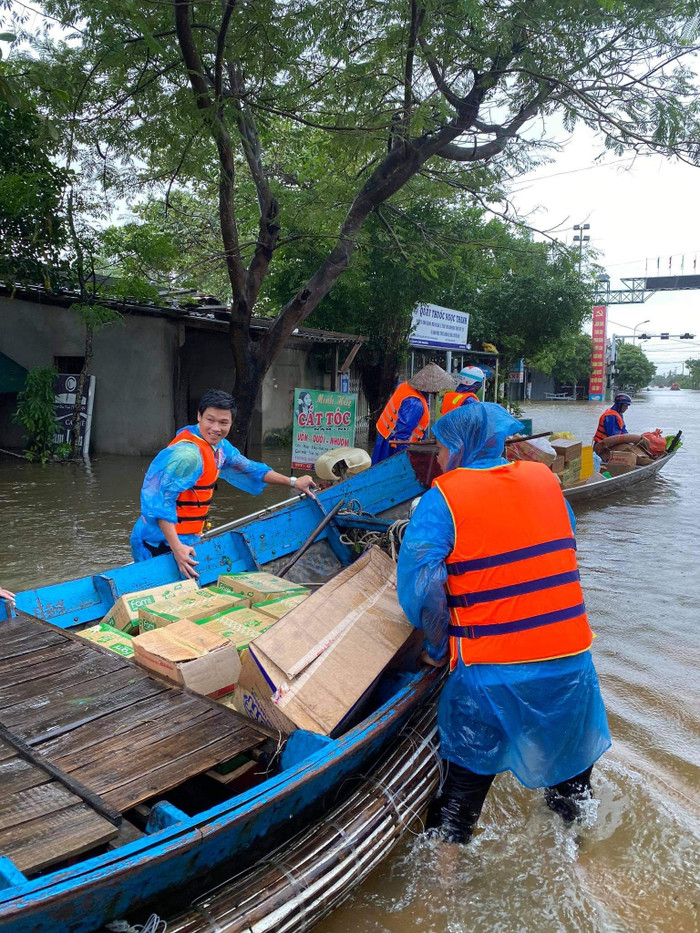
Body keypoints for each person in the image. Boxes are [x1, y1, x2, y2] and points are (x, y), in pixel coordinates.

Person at [397, 404, 610, 843]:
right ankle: (582, 860)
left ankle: (441, 893)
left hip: (491, 675)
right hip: (570, 667)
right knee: (572, 792)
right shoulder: (545, 479)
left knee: (458, 804)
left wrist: (436, 651)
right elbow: (562, 547)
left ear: (459, 448)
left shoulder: (443, 497)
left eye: (439, 448)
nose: (436, 458)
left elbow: (424, 589)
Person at [131, 389, 317, 579]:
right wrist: (177, 548)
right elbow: (161, 502)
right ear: (199, 416)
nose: (216, 428)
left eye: (223, 422)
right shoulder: (187, 455)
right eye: (210, 420)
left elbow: (251, 469)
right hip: (158, 541)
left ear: (231, 423)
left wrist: (293, 482)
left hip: (185, 538)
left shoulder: (220, 448)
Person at [372, 363, 454, 465]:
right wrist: (403, 460)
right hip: (392, 446)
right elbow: (402, 435)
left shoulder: (405, 387)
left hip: (385, 438)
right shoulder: (414, 403)